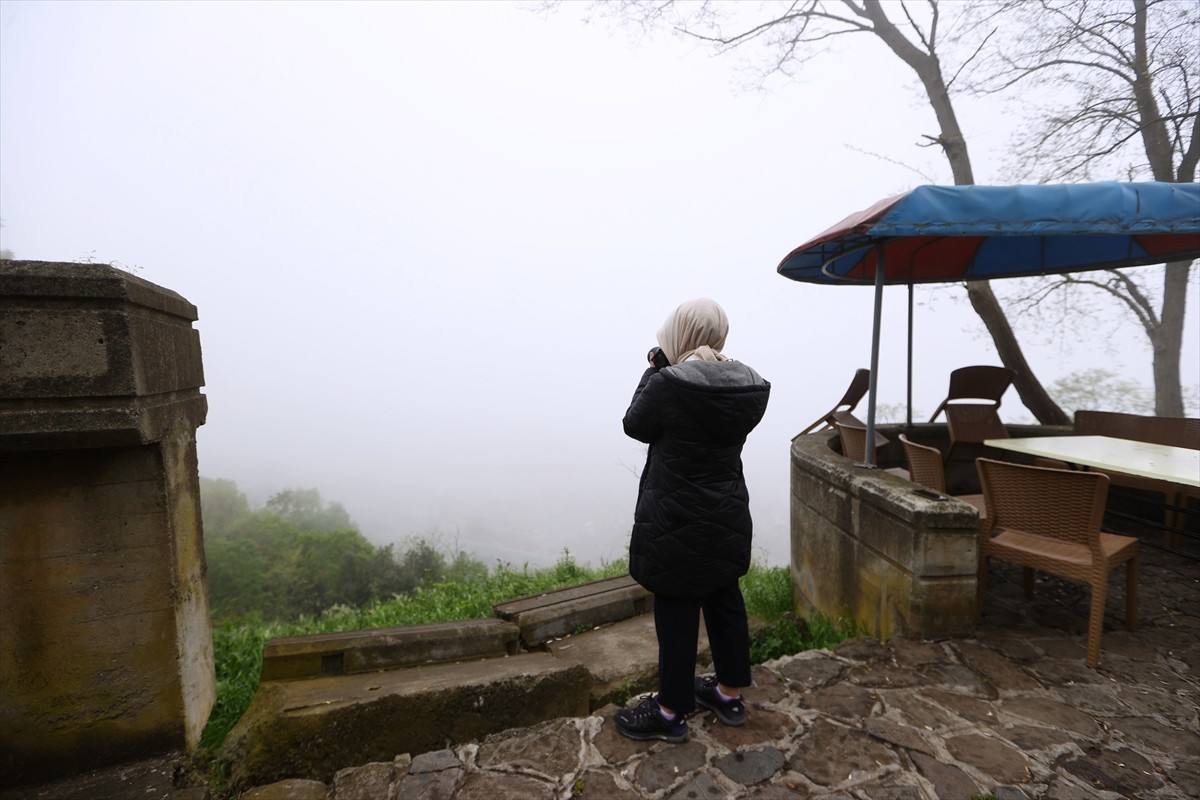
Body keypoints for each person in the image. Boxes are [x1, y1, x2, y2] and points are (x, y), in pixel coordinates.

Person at [615, 297, 771, 743]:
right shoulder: (747, 384)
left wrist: (654, 369)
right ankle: (728, 693)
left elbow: (634, 424)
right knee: (724, 600)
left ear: (678, 334)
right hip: (725, 515)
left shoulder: (668, 384)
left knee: (678, 609)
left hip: (677, 518)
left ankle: (669, 711)